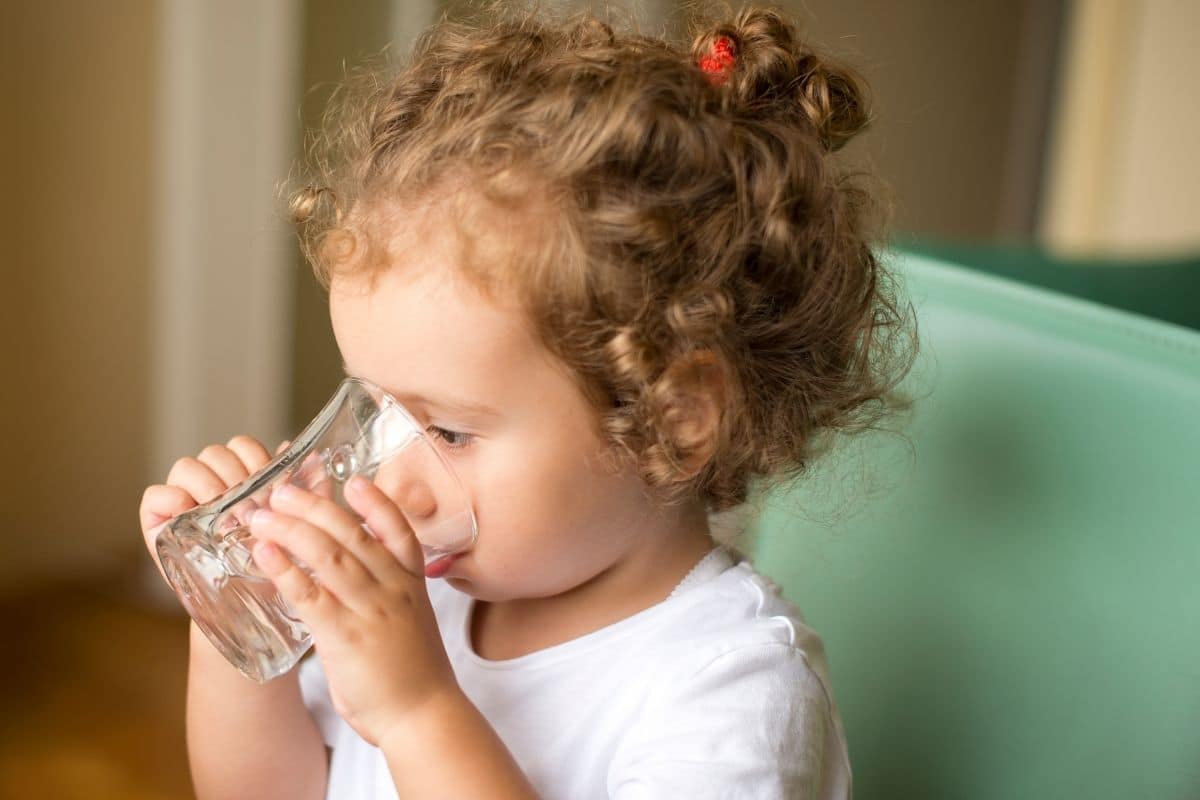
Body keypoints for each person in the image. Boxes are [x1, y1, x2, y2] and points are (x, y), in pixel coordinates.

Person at [139, 5, 915, 798]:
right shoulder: (423, 595)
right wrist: (238, 630)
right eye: (375, 409)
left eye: (446, 429)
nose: (392, 482)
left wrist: (417, 714)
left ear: (672, 424)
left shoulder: (731, 692)